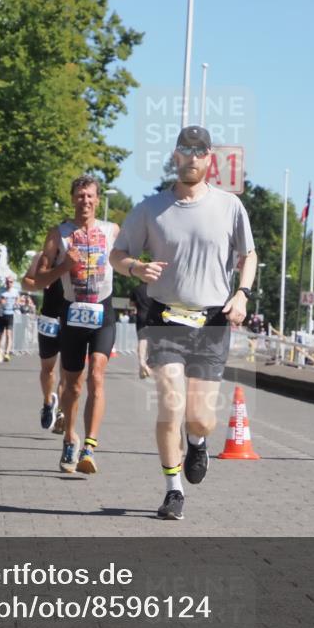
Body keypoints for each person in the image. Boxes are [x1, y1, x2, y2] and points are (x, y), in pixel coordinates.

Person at [110, 126, 257, 520]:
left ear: (209, 159)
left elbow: (249, 256)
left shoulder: (229, 207)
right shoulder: (150, 208)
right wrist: (135, 266)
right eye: (185, 150)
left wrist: (242, 293)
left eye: (200, 151)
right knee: (170, 408)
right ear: (175, 156)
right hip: (165, 320)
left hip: (211, 323)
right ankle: (173, 489)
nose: (192, 158)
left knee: (200, 417)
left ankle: (197, 442)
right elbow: (117, 254)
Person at [32, 176, 119, 474]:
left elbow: (125, 260)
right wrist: (63, 267)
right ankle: (70, 436)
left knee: (97, 374)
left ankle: (89, 446)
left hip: (103, 311)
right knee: (73, 385)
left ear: (97, 200)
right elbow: (38, 281)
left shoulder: (112, 231)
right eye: (80, 195)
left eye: (91, 196)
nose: (86, 200)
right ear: (72, 198)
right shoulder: (58, 234)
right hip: (72, 312)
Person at [23, 252, 67, 432]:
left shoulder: (83, 253)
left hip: (72, 318)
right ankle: (48, 402)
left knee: (68, 371)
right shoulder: (44, 256)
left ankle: (62, 413)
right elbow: (26, 281)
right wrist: (41, 282)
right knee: (48, 370)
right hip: (49, 317)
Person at [129, 282, 152, 379]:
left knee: (142, 340)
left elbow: (131, 304)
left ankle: (142, 363)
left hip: (141, 316)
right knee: (153, 341)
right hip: (153, 317)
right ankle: (150, 364)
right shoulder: (156, 288)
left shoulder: (136, 289)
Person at [0, 275, 19, 362]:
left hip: (10, 314)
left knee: (9, 334)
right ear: (5, 282)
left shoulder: (15, 291)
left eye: (11, 282)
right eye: (7, 282)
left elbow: (18, 299)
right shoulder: (1, 291)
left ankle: (7, 353)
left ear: (13, 283)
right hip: (1, 314)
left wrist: (17, 302)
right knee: (1, 334)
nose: (9, 283)